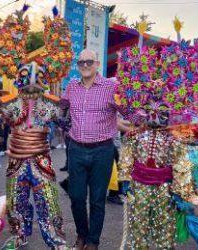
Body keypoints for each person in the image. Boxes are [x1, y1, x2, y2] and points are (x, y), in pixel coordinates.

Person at [116, 20, 198, 249]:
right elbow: (126, 156)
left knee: (165, 233)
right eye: (150, 107)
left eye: (162, 108)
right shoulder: (135, 136)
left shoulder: (174, 139)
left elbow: (181, 164)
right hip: (139, 188)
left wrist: (182, 193)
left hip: (165, 191)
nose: (155, 112)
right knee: (138, 232)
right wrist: (125, 180)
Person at [0, 5, 72, 250]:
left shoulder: (49, 105)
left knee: (48, 200)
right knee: (17, 203)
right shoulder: (10, 104)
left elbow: (64, 122)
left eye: (35, 80)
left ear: (42, 82)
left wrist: (65, 116)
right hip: (16, 163)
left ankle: (56, 240)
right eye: (26, 79)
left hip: (41, 161)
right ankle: (18, 236)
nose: (30, 86)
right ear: (19, 80)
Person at [62, 49, 145, 250]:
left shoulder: (112, 86)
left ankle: (92, 241)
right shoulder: (72, 86)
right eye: (81, 62)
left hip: (102, 151)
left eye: (89, 62)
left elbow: (131, 113)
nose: (85, 65)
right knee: (76, 197)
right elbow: (59, 108)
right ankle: (81, 234)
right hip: (76, 149)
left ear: (97, 63)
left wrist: (142, 109)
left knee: (98, 200)